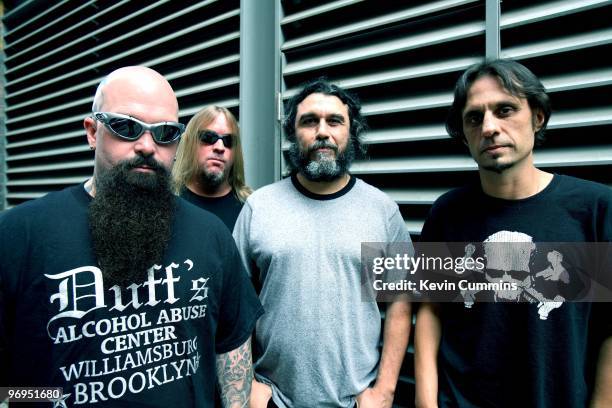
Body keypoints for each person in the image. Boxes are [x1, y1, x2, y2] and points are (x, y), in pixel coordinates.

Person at [0, 66, 263, 407]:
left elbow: (232, 355)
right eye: (126, 127)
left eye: (165, 133)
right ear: (93, 132)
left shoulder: (211, 235)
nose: (146, 145)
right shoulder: (19, 235)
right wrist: (46, 397)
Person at [414, 59, 612, 407]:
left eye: (504, 110)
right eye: (474, 117)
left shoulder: (596, 208)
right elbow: (431, 312)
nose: (489, 127)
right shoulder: (446, 212)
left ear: (538, 117)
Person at [233, 78, 412, 408]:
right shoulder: (260, 207)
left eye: (334, 121)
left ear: (350, 132)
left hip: (356, 401)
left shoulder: (381, 211)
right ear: (293, 133)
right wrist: (246, 386)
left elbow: (400, 301)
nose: (322, 132)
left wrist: (384, 391)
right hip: (273, 400)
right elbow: (233, 304)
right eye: (309, 121)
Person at [172, 106, 251, 231]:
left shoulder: (251, 208)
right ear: (190, 143)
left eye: (228, 140)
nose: (220, 147)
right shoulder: (166, 200)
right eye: (208, 137)